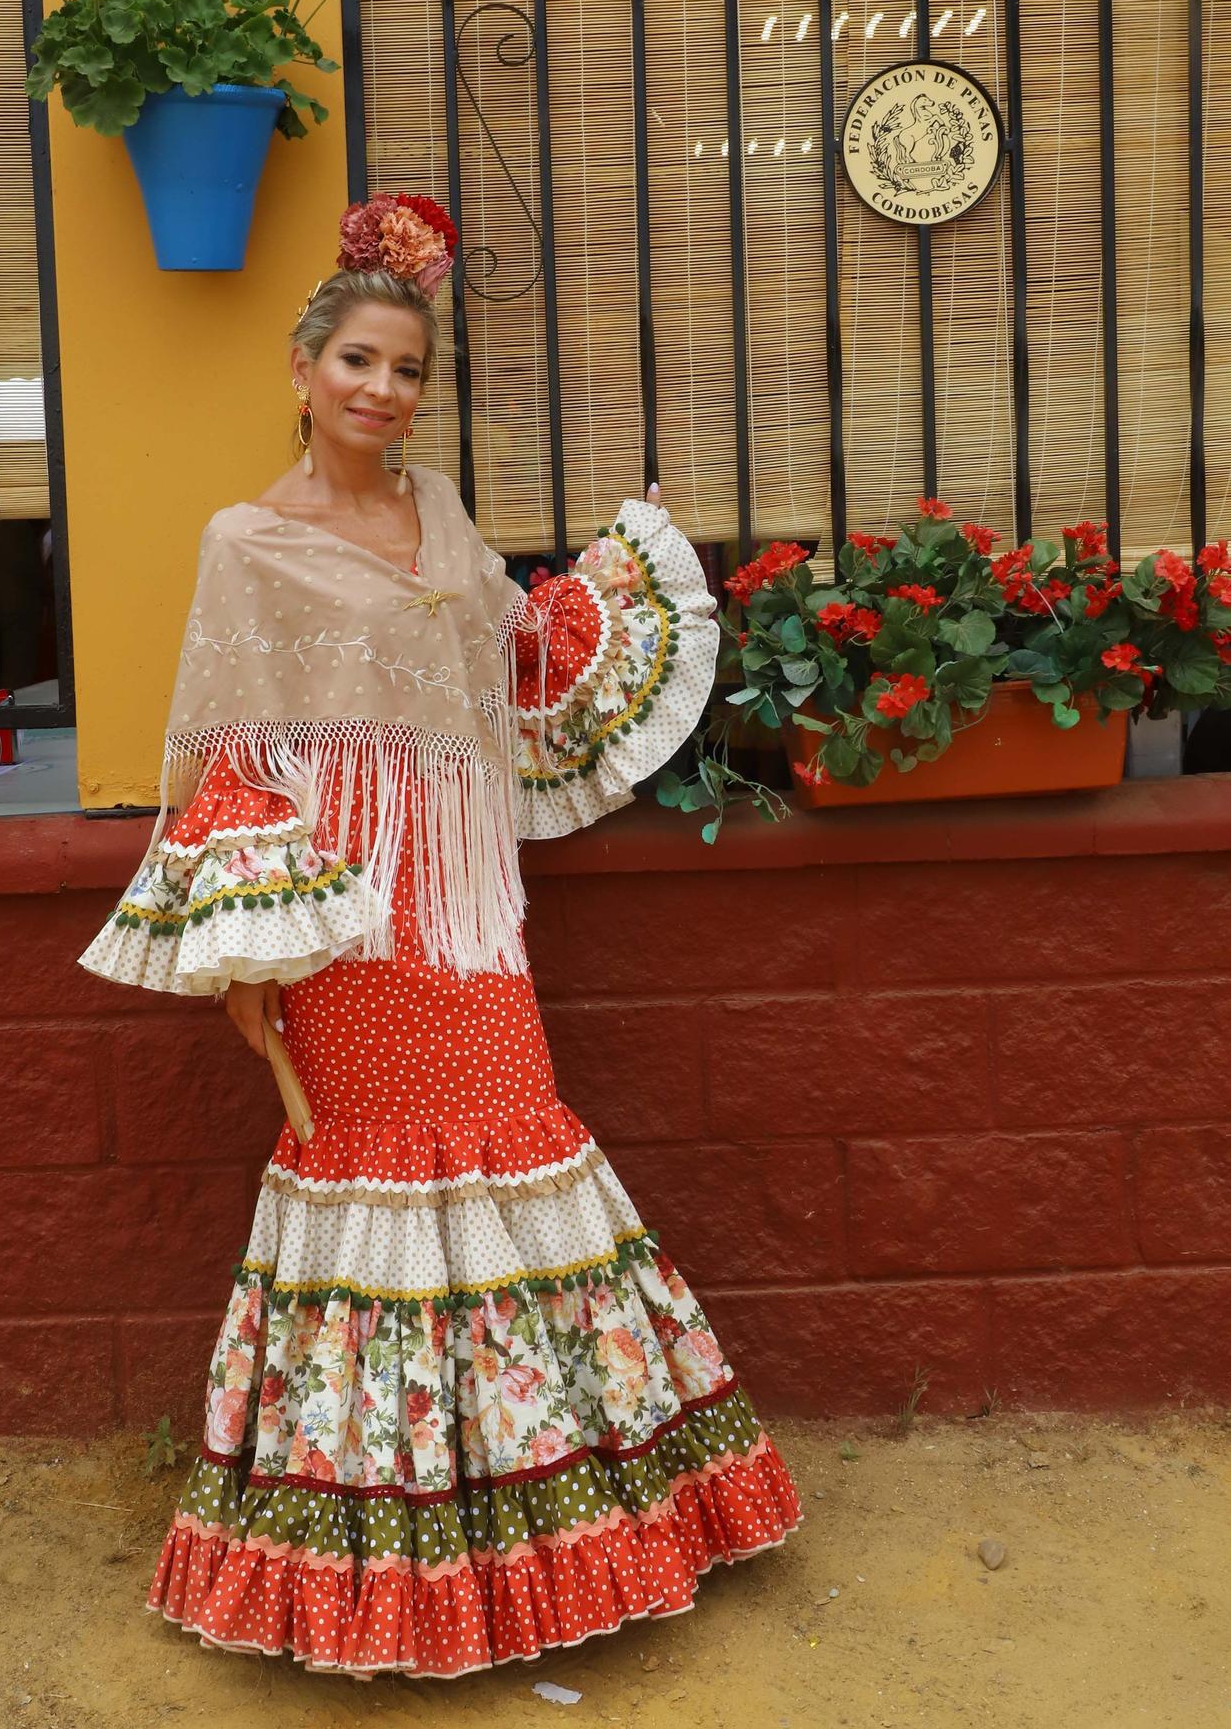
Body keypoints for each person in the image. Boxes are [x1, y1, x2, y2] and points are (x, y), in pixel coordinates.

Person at [79, 191, 802, 1679]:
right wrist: (251, 963)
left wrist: (596, 605)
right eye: (356, 361)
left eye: (405, 369)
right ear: (301, 373)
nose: (381, 390)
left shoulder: (442, 515)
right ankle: (378, 1566)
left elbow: (503, 654)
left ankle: (559, 1534)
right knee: (376, 1178)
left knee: (515, 1138)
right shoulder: (246, 545)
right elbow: (228, 752)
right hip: (343, 915)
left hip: (465, 907)